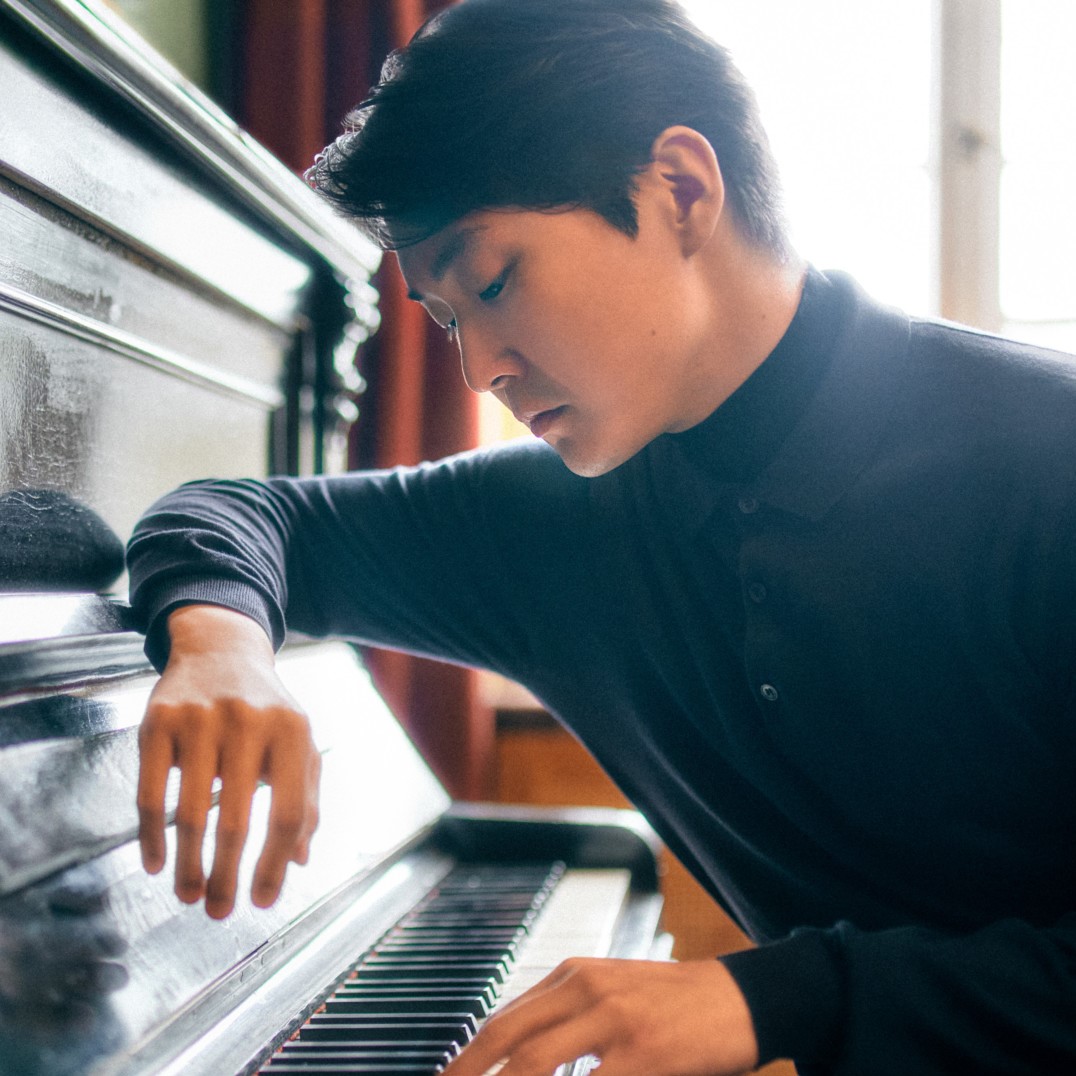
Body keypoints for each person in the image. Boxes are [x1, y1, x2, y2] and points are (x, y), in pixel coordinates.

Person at [125, 0, 1076, 1072]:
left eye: (491, 281)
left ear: (678, 189)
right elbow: (247, 514)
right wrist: (218, 641)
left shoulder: (1050, 461)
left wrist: (773, 1001)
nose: (477, 366)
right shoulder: (564, 521)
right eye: (445, 319)